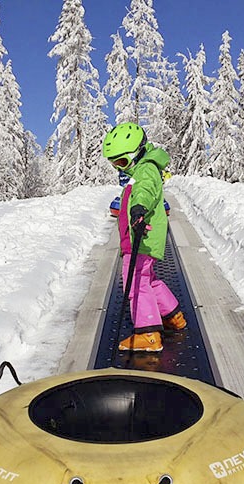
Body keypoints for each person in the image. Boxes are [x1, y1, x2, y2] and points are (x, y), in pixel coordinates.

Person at [102, 122, 186, 352]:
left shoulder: (145, 170)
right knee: (147, 279)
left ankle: (148, 334)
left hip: (142, 237)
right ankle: (173, 316)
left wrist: (138, 209)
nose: (118, 167)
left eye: (121, 162)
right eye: (114, 163)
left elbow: (145, 191)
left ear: (136, 153)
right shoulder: (141, 169)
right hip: (144, 236)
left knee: (136, 283)